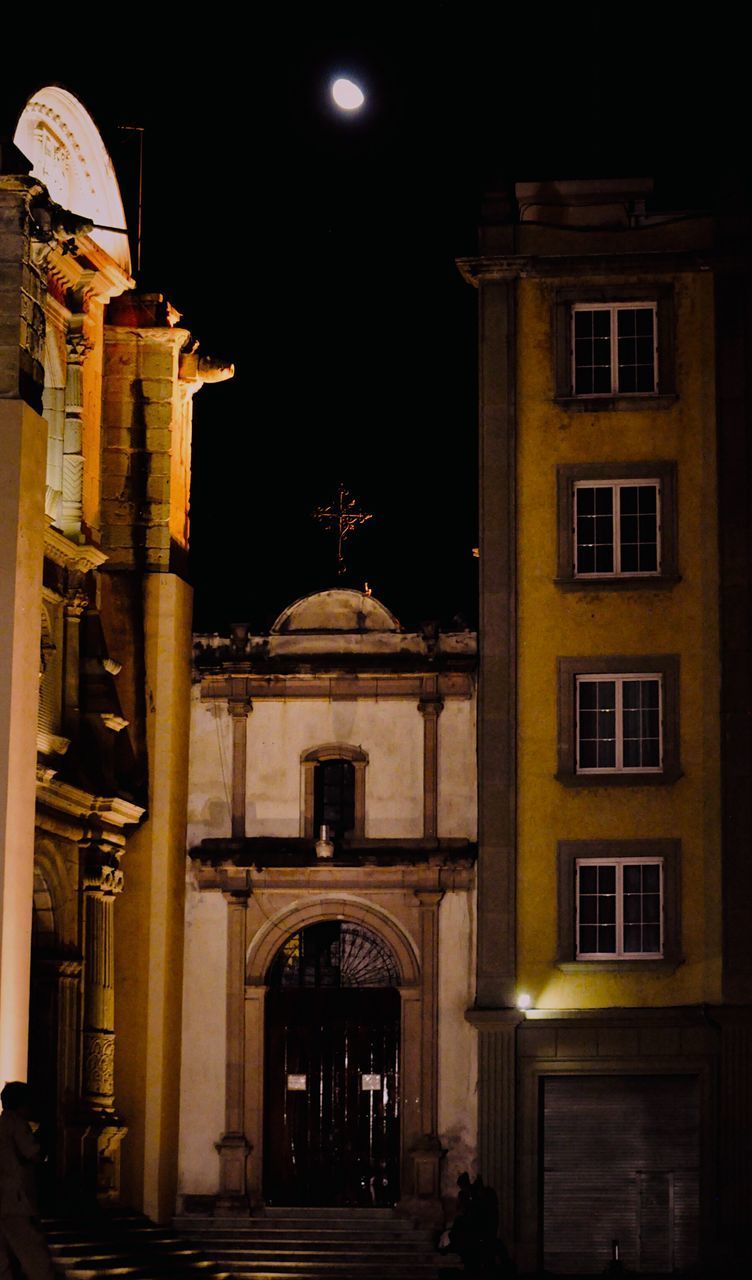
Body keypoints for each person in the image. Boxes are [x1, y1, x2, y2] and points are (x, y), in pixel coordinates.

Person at [0, 1082, 55, 1280]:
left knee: (5, 1266)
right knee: (38, 1263)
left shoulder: (2, 1124)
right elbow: (33, 1154)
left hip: (4, 1201)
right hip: (17, 1203)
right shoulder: (16, 1124)